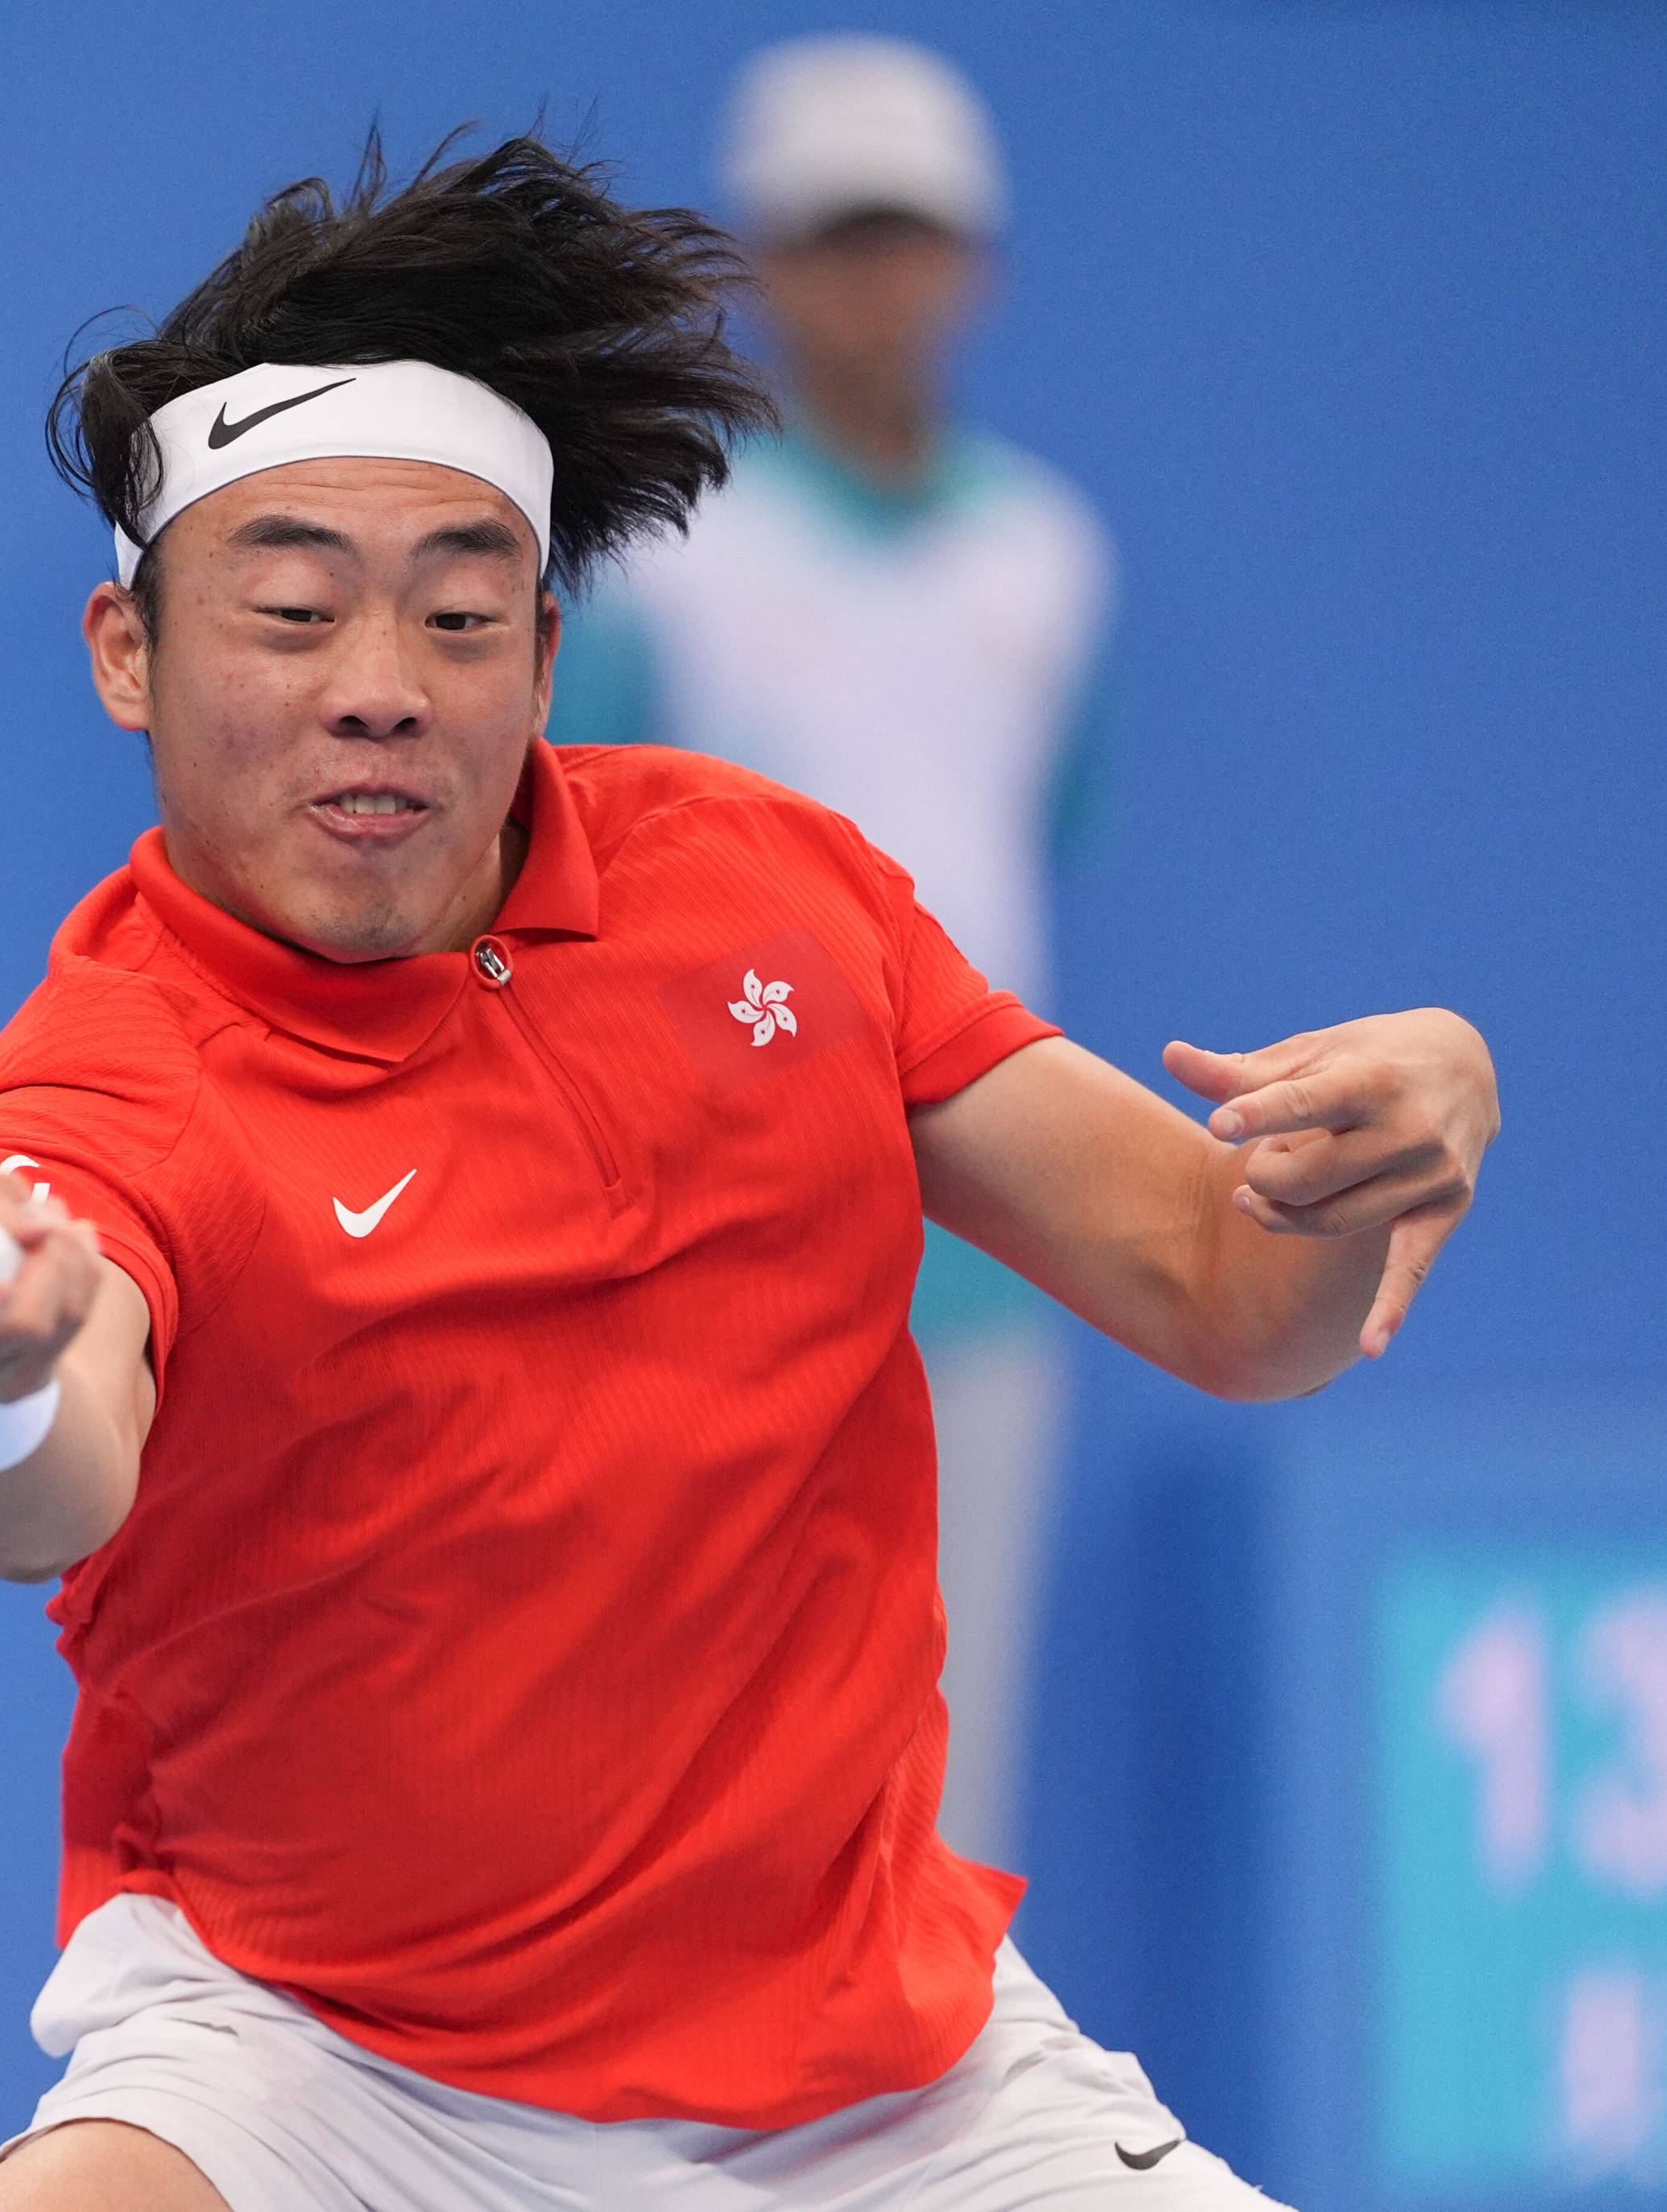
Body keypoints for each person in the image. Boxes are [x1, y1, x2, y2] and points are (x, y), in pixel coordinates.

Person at [0, 135, 1496, 2212]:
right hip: (327, 2063)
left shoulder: (770, 888)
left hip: (892, 2082)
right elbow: (32, 1485)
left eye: (456, 615)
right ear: (124, 652)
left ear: (540, 660)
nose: (375, 686)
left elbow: (1229, 1299)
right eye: (283, 611)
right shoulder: (96, 1100)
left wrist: (1392, 1139)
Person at [549, 35, 1111, 1868]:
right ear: (758, 267)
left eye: (911, 236)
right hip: (701, 1253)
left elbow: (1028, 844)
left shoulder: (1045, 557)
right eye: (834, 237)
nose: (877, 280)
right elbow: (577, 884)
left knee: (947, 1806)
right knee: (685, 1788)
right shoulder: (661, 551)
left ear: (975, 265)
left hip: (982, 1249)